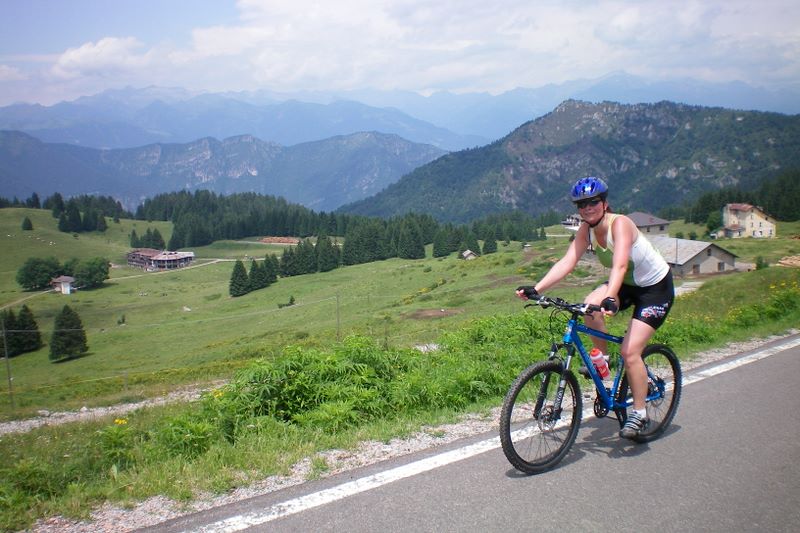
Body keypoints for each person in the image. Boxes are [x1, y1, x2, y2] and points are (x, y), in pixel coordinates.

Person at [516, 176, 674, 440]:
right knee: (590, 307)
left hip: (654, 289)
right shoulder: (586, 230)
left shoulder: (620, 224)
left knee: (630, 352)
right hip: (626, 284)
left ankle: (639, 414)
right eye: (582, 204)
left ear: (604, 203)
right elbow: (568, 262)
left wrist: (610, 296)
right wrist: (537, 288)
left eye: (593, 202)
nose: (588, 208)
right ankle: (603, 361)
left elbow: (620, 264)